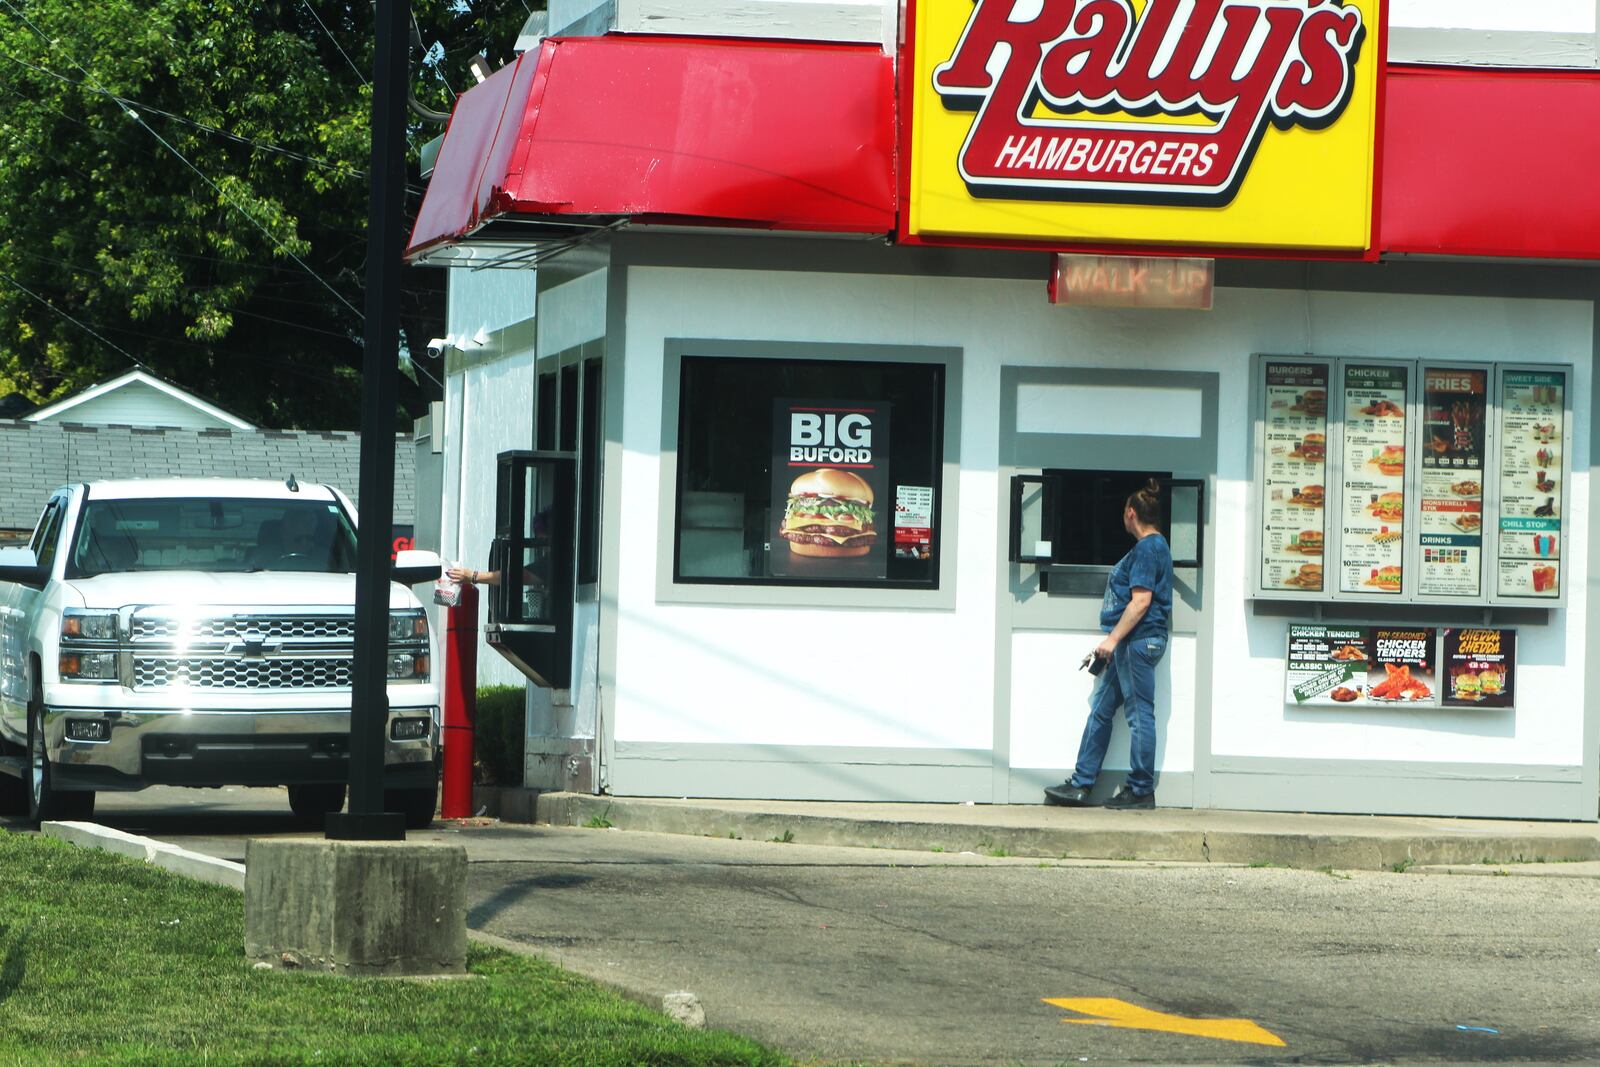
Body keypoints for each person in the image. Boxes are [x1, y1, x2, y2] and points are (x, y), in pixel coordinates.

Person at [1045, 479, 1174, 810]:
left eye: (1123, 511)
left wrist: (1112, 640)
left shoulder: (1148, 548)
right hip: (1133, 643)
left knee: (1139, 714)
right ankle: (1081, 783)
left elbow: (1141, 601)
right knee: (1102, 709)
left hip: (1136, 643)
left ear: (1131, 513)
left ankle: (1142, 789)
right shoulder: (1157, 546)